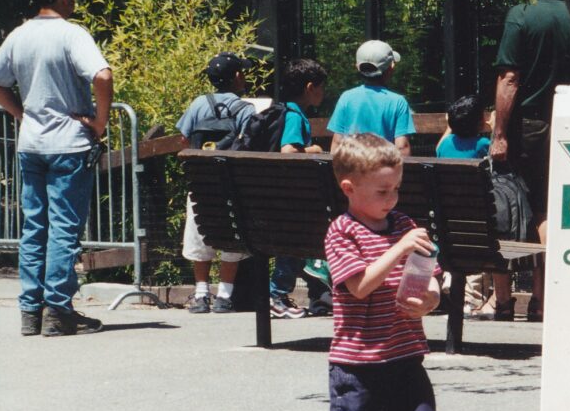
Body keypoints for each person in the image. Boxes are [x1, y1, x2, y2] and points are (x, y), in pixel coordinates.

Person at [325, 133, 441, 411]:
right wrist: (398, 249)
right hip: (360, 359)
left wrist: (429, 300)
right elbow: (360, 286)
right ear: (350, 189)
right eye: (382, 191)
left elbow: (430, 279)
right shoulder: (342, 232)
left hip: (404, 349)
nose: (392, 199)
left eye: (396, 189)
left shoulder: (405, 226)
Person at [0, 0, 110, 337]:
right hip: (68, 143)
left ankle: (30, 311)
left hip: (31, 144)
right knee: (64, 228)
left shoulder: (18, 35)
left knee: (34, 227)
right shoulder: (71, 34)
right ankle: (58, 310)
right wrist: (99, 122)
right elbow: (102, 75)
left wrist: (20, 114)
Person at [490, 0, 570, 322]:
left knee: (517, 206)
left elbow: (510, 78)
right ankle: (543, 300)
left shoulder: (519, 15)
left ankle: (507, 302)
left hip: (529, 127)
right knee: (552, 209)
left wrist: (499, 133)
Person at [176, 52, 255, 313]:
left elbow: (184, 138)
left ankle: (200, 294)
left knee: (199, 234)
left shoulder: (199, 103)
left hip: (200, 181)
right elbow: (247, 142)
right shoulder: (245, 108)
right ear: (236, 77)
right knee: (232, 235)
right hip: (229, 181)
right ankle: (224, 295)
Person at [436, 94, 514, 320]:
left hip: (451, 220)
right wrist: (493, 127)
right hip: (480, 220)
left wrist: (452, 126)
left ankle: (466, 297)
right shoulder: (482, 145)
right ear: (480, 122)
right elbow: (496, 159)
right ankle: (479, 299)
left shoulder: (445, 146)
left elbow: (442, 144)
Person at [269, 58, 326, 319]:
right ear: (310, 86)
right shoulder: (294, 115)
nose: (323, 94)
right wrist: (314, 150)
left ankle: (287, 292)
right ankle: (277, 294)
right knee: (291, 247)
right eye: (321, 88)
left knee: (295, 247)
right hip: (292, 196)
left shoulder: (286, 110)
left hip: (282, 195)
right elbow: (288, 151)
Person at [328, 40, 414, 156]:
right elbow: (402, 147)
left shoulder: (346, 97)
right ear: (391, 68)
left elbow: (337, 142)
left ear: (358, 67)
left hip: (352, 168)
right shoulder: (398, 102)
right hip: (383, 169)